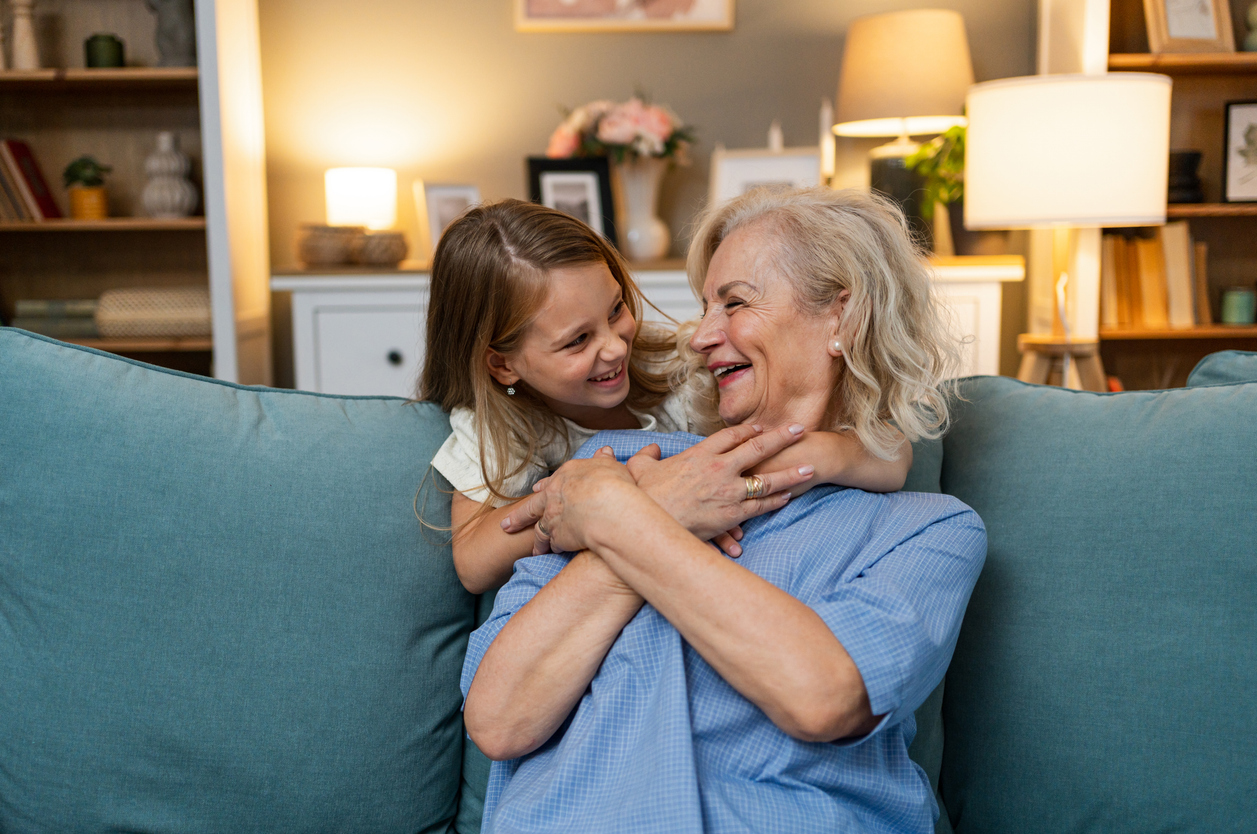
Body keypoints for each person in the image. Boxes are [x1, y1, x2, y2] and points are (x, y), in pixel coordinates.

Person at [461, 187, 989, 833]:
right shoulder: (615, 464)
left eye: (733, 302)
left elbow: (822, 699)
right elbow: (500, 719)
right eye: (705, 307)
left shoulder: (926, 529)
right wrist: (642, 503)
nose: (700, 337)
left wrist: (624, 518)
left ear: (842, 318)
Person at [419, 199, 913, 594]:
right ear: (502, 363)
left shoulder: (676, 361)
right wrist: (619, 502)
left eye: (615, 311)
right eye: (577, 341)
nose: (614, 346)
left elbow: (892, 453)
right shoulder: (500, 422)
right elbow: (473, 562)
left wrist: (824, 454)